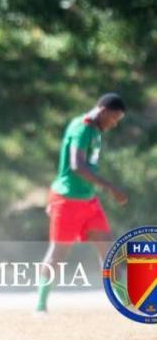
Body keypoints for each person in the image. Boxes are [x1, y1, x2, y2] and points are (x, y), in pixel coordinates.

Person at [35, 93, 128, 313]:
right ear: (103, 111)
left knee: (108, 248)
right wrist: (111, 187)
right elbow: (77, 166)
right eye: (114, 118)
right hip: (67, 200)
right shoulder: (82, 128)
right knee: (58, 253)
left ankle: (125, 301)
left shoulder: (96, 130)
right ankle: (40, 305)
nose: (114, 124)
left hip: (88, 201)